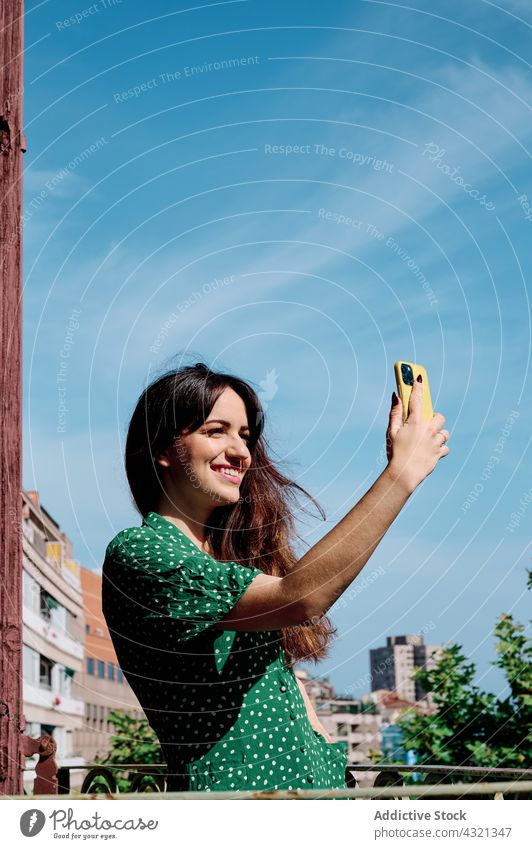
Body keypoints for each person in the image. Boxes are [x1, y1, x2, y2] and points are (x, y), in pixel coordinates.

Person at [102, 361, 450, 794]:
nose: (240, 451)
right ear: (164, 448)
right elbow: (302, 596)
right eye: (215, 431)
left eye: (244, 436)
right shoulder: (141, 552)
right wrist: (401, 474)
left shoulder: (231, 562)